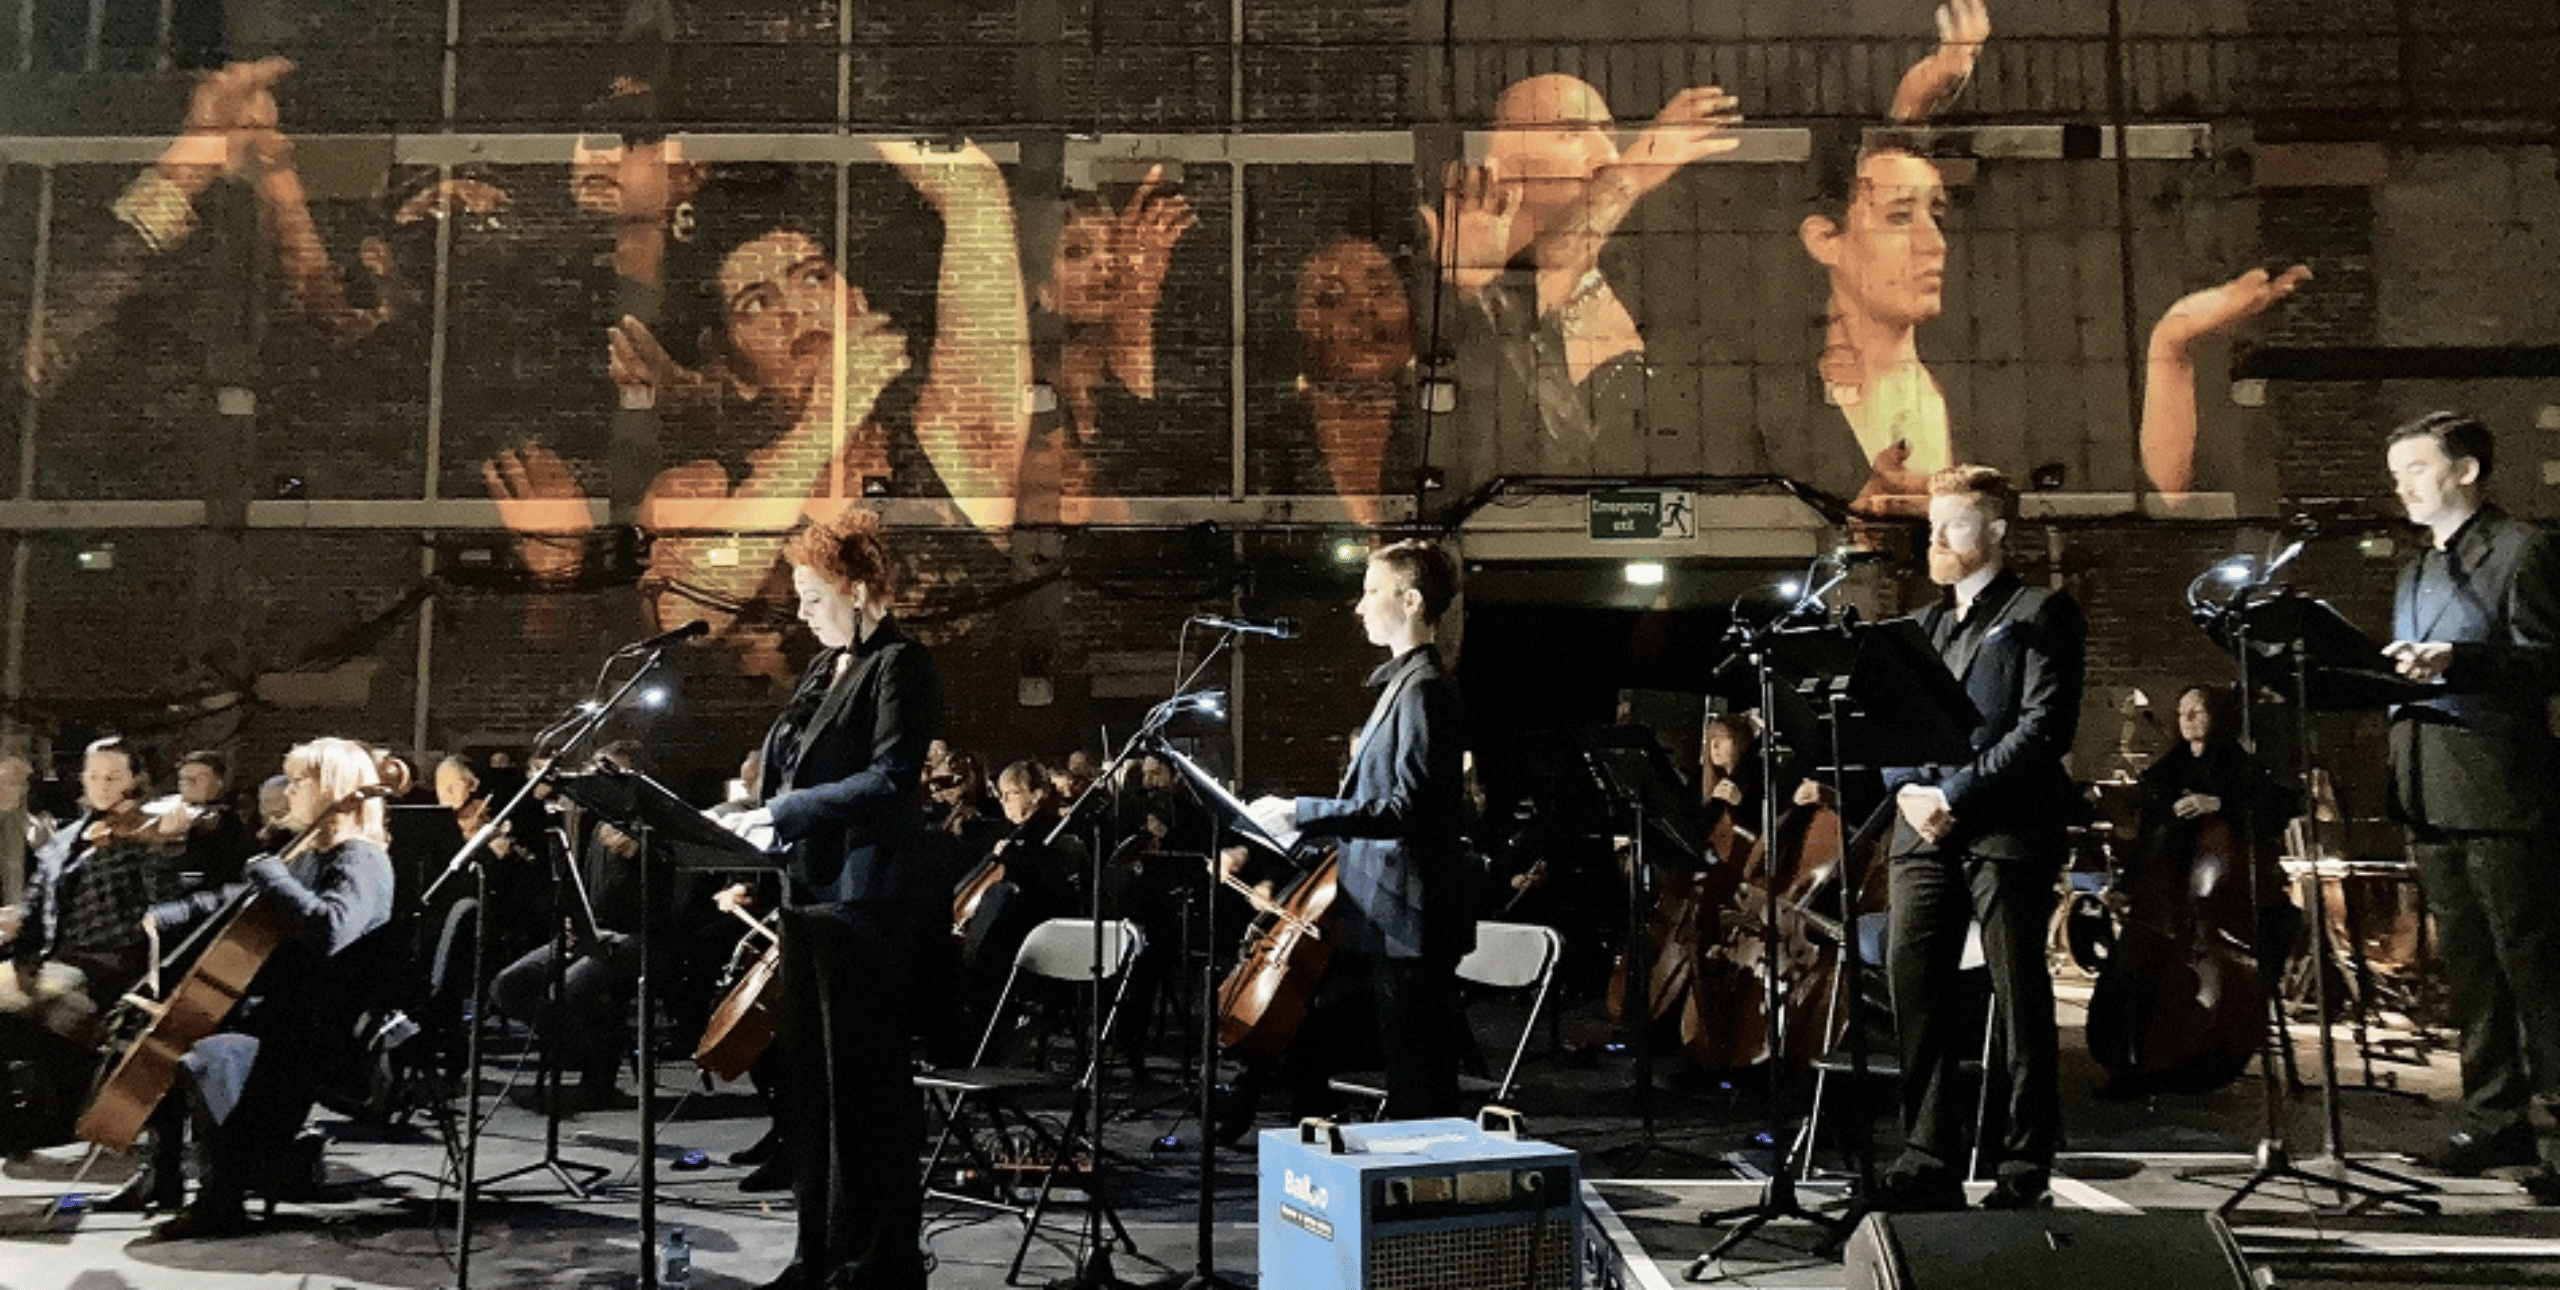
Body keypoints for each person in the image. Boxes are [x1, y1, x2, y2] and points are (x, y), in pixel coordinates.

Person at [719, 504, 944, 1290]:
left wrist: (778, 812)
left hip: (866, 901)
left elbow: (890, 780)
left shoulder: (899, 665)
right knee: (811, 1093)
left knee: (865, 1093)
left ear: (856, 587)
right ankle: (816, 1254)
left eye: (814, 597)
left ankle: (879, 1258)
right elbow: (792, 766)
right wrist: (747, 812)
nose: (804, 613)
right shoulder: (827, 668)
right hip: (810, 891)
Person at [1873, 465, 2085, 1212]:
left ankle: (2024, 1160)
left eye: (1953, 525)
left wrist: (1954, 794)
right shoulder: (1925, 626)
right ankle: (1928, 1151)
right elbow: (1891, 721)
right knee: (1915, 986)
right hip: (1921, 832)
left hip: (2004, 829)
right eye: (1932, 525)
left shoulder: (2041, 611)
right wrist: (1907, 790)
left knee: (2018, 994)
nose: (1936, 537)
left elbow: (2043, 727)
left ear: (1996, 530)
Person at [2375, 411, 2560, 1200]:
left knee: (2535, 969)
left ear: (2467, 471)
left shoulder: (2524, 550)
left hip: (2502, 793)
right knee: (2471, 972)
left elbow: (2547, 660)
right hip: (2430, 788)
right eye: (2398, 474)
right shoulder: (2418, 568)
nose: (2404, 486)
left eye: (2416, 468)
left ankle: (2555, 1133)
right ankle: (2495, 1118)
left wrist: (2461, 660)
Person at [1243, 538, 1474, 1119]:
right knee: (1384, 1061)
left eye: (1372, 591)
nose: (1359, 605)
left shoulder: (1423, 690)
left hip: (1410, 916)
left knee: (1418, 1079)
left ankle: (1423, 1188)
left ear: (1413, 600)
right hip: (1386, 912)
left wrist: (1304, 811)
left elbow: (1407, 810)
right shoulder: (1402, 685)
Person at [144, 737, 398, 1238]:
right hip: (291, 1009)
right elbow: (237, 898)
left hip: (328, 1025)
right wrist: (172, 913)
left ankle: (224, 1195)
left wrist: (277, 878)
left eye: (300, 781)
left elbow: (330, 929)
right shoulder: (312, 851)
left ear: (332, 788)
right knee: (167, 1034)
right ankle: (168, 1177)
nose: (288, 792)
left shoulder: (361, 859)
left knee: (215, 1049)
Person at [490, 743, 671, 1114]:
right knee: (509, 984)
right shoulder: (597, 824)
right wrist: (575, 918)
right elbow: (586, 884)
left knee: (573, 989)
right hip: (593, 932)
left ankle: (597, 1066)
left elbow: (666, 891)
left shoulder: (655, 827)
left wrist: (643, 848)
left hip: (637, 937)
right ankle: (584, 1049)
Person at [2128, 684, 2301, 981]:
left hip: (2229, 895)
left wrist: (2219, 804)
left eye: (2197, 712)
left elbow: (2275, 809)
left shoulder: (2241, 765)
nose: (2187, 719)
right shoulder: (2165, 772)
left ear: (2217, 716)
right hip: (2174, 891)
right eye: (2182, 713)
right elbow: (2148, 834)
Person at [11, 739, 181, 1021]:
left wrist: (159, 844)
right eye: (94, 776)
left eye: (113, 778)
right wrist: (17, 917)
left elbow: (163, 900)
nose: (102, 786)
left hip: (110, 969)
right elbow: (37, 895)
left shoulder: (145, 836)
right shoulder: (65, 838)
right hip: (54, 961)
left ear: (136, 782)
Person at [156, 750, 257, 890]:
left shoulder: (231, 816)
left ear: (220, 782)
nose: (187, 785)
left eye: (197, 780)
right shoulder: (170, 813)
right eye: (183, 780)